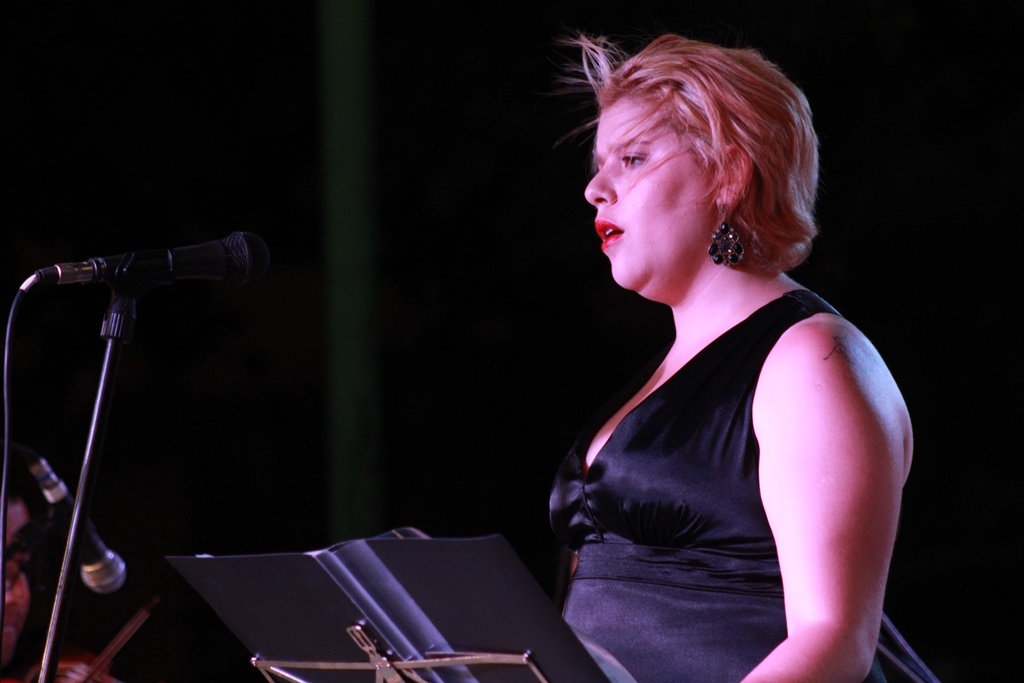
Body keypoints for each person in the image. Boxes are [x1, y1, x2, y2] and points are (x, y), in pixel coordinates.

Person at [548, 32, 915, 683]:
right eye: (599, 165)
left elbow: (835, 639)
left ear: (730, 174)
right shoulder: (664, 371)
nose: (596, 190)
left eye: (632, 159)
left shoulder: (811, 358)